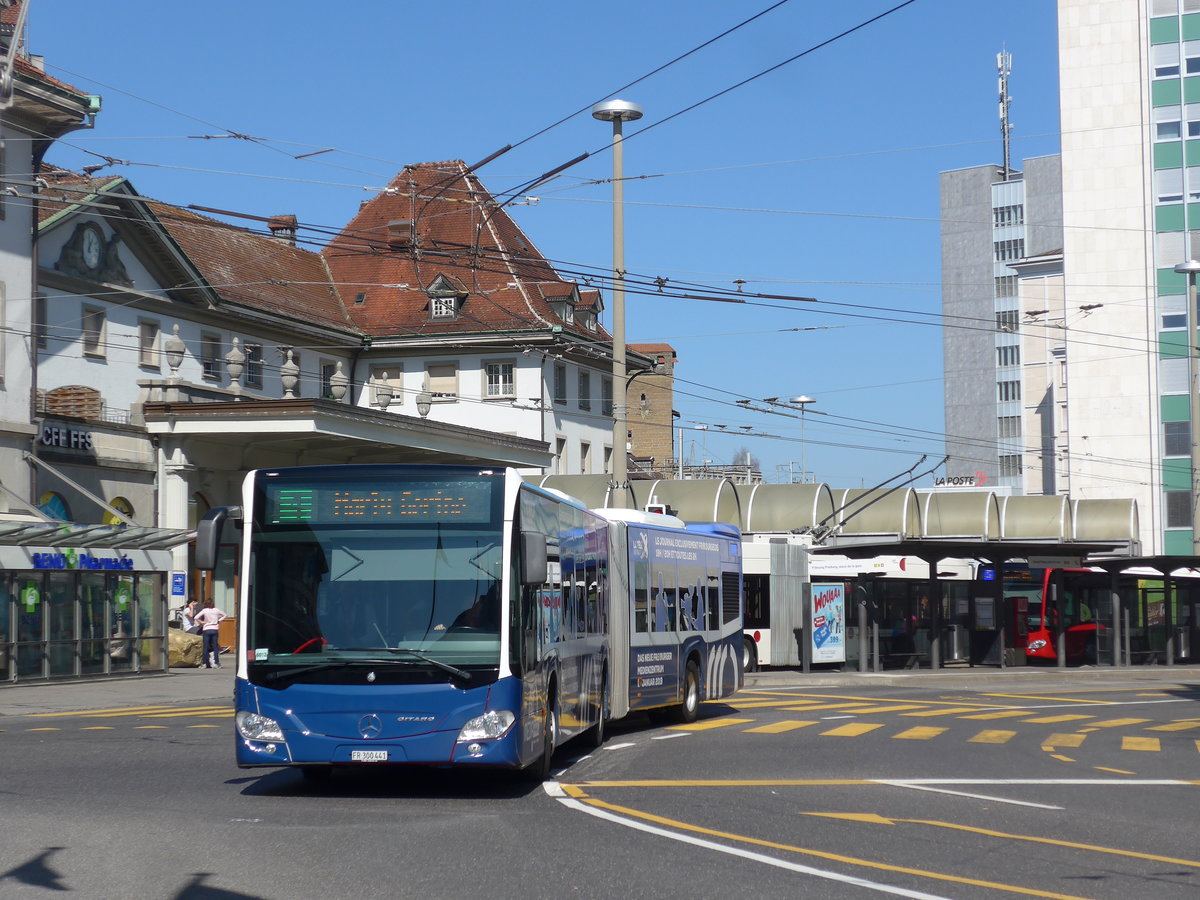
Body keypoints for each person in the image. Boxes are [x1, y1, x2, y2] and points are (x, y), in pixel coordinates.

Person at [194, 599, 228, 668]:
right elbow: (225, 615)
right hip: (215, 629)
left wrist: (201, 622)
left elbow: (196, 617)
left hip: (206, 629)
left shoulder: (205, 610)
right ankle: (216, 663)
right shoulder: (216, 610)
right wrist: (219, 620)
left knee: (205, 647)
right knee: (215, 646)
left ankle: (204, 663)